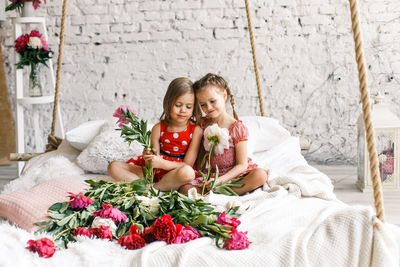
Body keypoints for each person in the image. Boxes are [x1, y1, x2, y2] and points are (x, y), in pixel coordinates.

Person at [108, 77, 203, 191]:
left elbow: (187, 164)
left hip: (175, 173)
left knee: (188, 173)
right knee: (113, 166)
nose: (183, 110)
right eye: (178, 105)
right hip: (153, 173)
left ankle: (154, 188)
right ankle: (142, 186)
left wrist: (163, 164)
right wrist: (149, 157)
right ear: (168, 103)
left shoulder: (196, 130)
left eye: (188, 107)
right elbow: (153, 161)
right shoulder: (158, 128)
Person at [180, 73, 268, 195]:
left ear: (224, 95)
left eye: (212, 101)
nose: (208, 107)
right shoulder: (203, 125)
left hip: (232, 176)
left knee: (260, 175)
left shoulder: (236, 128)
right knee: (185, 189)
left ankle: (222, 192)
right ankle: (213, 192)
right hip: (211, 177)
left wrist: (220, 181)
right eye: (203, 104)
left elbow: (242, 165)